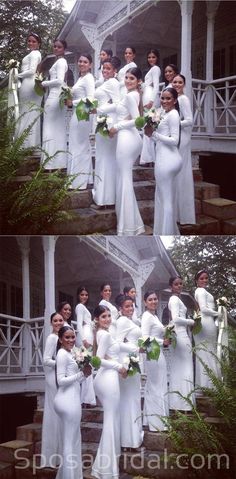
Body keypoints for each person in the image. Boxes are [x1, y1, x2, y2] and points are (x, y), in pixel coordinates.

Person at [100, 67, 145, 236]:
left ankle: (128, 227)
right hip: (127, 138)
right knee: (123, 179)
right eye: (126, 77)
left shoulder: (131, 95)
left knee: (125, 180)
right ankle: (131, 224)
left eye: (132, 78)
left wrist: (116, 128)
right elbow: (124, 112)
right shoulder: (132, 95)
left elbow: (137, 121)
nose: (127, 81)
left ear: (138, 81)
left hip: (128, 139)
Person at [91, 305, 129, 479]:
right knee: (110, 421)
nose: (107, 319)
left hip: (107, 378)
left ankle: (106, 466)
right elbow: (96, 361)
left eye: (108, 316)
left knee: (112, 420)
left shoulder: (101, 333)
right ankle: (106, 469)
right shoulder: (104, 334)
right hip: (107, 378)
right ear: (97, 320)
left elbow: (104, 356)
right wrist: (118, 366)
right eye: (103, 317)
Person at [54, 325, 91, 479]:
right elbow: (60, 381)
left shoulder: (71, 353)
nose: (70, 340)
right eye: (67, 337)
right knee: (70, 441)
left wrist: (85, 374)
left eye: (72, 337)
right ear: (61, 339)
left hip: (72, 398)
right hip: (66, 400)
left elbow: (76, 378)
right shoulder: (62, 354)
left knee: (74, 439)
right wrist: (80, 374)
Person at [145, 87, 182, 234]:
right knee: (162, 196)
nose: (164, 101)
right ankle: (164, 230)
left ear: (174, 100)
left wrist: (154, 134)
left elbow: (175, 140)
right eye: (162, 98)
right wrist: (151, 132)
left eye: (168, 98)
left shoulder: (173, 114)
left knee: (165, 199)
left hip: (168, 160)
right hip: (164, 157)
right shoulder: (163, 113)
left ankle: (167, 235)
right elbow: (157, 135)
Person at [92, 58, 120, 208]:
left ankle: (105, 198)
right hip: (101, 120)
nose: (105, 71)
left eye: (108, 68)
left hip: (108, 122)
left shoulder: (114, 83)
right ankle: (102, 196)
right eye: (104, 68)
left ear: (115, 71)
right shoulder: (105, 83)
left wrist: (99, 110)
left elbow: (117, 104)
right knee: (102, 159)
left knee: (106, 159)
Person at [116, 295, 143, 449]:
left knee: (134, 398)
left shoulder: (131, 321)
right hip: (127, 362)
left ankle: (134, 437)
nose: (130, 308)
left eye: (131, 306)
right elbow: (118, 343)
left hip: (134, 360)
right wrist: (135, 348)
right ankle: (127, 440)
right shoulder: (121, 321)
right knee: (128, 399)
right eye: (127, 306)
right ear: (120, 309)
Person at [141, 291, 170, 431]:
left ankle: (151, 419)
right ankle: (157, 423)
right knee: (155, 385)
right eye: (150, 299)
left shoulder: (154, 316)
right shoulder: (146, 317)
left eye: (155, 299)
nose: (153, 301)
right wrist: (162, 341)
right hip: (153, 353)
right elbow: (144, 338)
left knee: (158, 384)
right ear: (145, 302)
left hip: (158, 352)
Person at [67, 53, 95, 190]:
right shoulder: (81, 78)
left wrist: (73, 102)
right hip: (77, 112)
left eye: (85, 62)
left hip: (82, 113)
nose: (82, 64)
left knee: (80, 145)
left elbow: (91, 99)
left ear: (90, 65)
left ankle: (78, 181)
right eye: (80, 61)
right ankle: (84, 178)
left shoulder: (89, 78)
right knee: (77, 144)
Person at [168, 277, 195, 411]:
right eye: (176, 284)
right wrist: (190, 322)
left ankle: (181, 403)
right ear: (171, 286)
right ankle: (184, 403)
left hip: (181, 333)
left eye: (180, 284)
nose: (179, 286)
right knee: (185, 366)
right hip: (180, 334)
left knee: (182, 367)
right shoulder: (173, 299)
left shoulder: (177, 299)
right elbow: (175, 319)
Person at [40, 312, 64, 467]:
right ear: (51, 323)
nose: (58, 323)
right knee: (53, 414)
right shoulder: (51, 338)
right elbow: (46, 360)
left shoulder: (62, 337)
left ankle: (59, 454)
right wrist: (61, 363)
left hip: (59, 377)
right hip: (52, 378)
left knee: (59, 415)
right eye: (55, 320)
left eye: (60, 320)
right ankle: (51, 456)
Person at [172, 74, 196, 225]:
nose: (177, 84)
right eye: (175, 82)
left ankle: (184, 214)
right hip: (176, 137)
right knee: (176, 174)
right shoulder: (174, 99)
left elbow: (189, 120)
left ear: (184, 84)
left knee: (181, 174)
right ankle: (177, 213)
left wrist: (175, 124)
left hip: (183, 138)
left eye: (180, 82)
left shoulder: (184, 99)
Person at [41, 39, 68, 170]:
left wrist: (45, 83)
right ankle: (55, 162)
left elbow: (60, 80)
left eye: (59, 47)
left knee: (50, 127)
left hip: (55, 96)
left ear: (64, 49)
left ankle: (51, 163)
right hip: (54, 95)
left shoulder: (62, 61)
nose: (56, 48)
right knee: (54, 128)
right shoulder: (58, 61)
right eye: (55, 46)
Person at [194, 270, 220, 392]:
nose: (204, 280)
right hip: (206, 322)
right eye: (202, 278)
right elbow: (203, 309)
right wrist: (218, 313)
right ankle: (208, 385)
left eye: (206, 278)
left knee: (210, 351)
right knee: (206, 352)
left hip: (209, 322)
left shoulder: (203, 291)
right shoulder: (200, 291)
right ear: (196, 280)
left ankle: (211, 384)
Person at [17, 32, 42, 148]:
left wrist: (17, 75)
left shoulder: (35, 54)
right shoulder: (32, 53)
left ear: (38, 44)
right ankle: (26, 143)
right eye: (29, 41)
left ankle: (28, 144)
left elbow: (32, 71)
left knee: (29, 112)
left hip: (29, 83)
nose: (31, 43)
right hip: (27, 84)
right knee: (25, 111)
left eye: (34, 41)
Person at [75, 285, 96, 406]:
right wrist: (83, 340)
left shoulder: (84, 307)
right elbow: (78, 324)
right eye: (82, 294)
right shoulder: (79, 306)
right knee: (85, 366)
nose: (84, 297)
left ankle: (86, 398)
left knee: (88, 366)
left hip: (88, 335)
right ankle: (85, 399)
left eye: (86, 295)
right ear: (78, 295)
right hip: (84, 336)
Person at [140, 48, 161, 166]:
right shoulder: (151, 69)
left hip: (151, 98)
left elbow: (157, 86)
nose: (151, 59)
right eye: (149, 57)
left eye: (153, 57)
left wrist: (152, 101)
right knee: (147, 127)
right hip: (147, 96)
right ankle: (149, 158)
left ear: (157, 58)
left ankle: (150, 159)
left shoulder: (156, 68)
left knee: (150, 127)